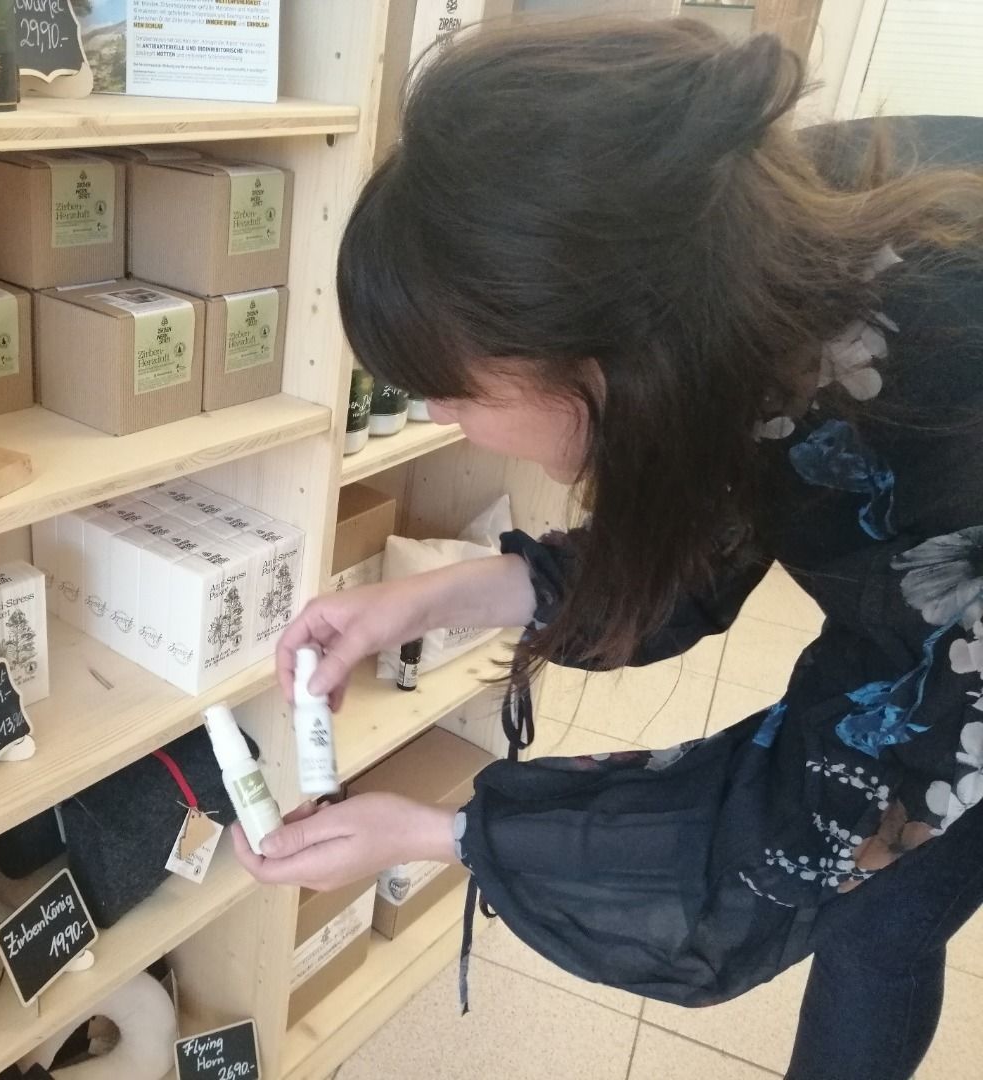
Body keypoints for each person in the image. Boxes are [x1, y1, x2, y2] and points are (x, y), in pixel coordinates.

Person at [230, 16, 983, 1080]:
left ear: (604, 360)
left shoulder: (931, 403)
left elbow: (807, 827)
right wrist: (423, 600)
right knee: (886, 919)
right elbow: (710, 528)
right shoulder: (718, 237)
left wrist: (443, 836)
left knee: (884, 910)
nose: (439, 417)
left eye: (455, 389)